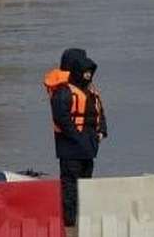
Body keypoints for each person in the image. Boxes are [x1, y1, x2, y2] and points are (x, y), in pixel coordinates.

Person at [43, 49, 107, 226]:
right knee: (70, 186)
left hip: (88, 148)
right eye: (84, 68)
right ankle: (69, 222)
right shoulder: (63, 92)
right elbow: (61, 117)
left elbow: (100, 113)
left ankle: (83, 218)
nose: (88, 73)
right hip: (70, 148)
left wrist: (102, 131)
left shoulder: (90, 91)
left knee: (86, 185)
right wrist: (76, 136)